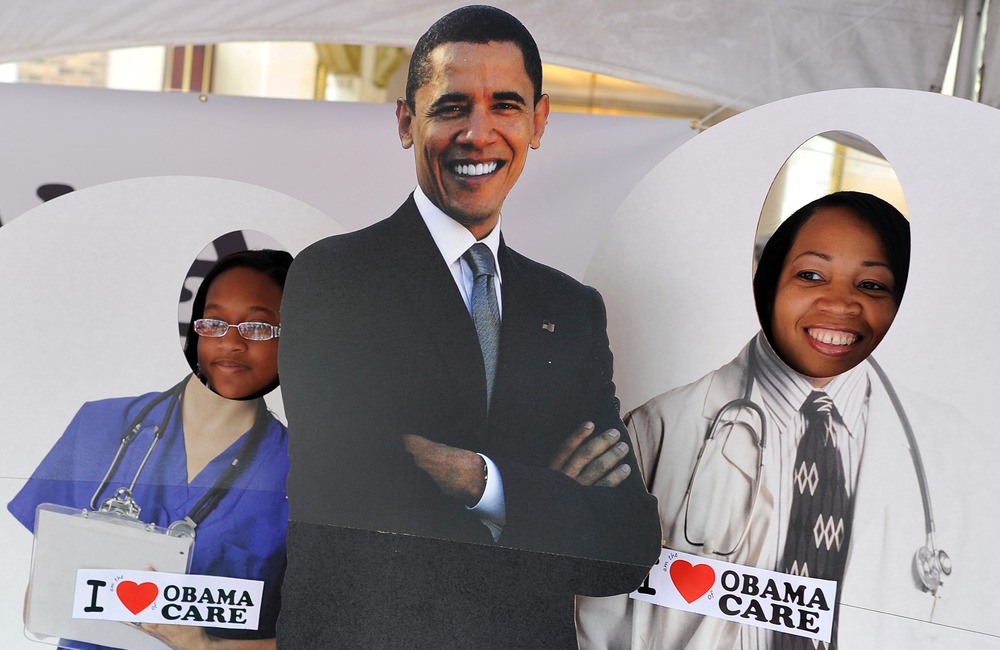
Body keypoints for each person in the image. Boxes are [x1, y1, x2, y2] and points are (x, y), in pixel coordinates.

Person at [276, 5, 661, 648]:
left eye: (505, 105)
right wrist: (551, 498)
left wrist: (480, 481)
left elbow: (624, 546)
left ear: (539, 122)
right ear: (407, 122)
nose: (479, 134)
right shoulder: (335, 278)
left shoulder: (571, 310)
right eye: (452, 107)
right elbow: (355, 501)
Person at [576, 191, 951, 648]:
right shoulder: (660, 427)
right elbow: (595, 613)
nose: (840, 303)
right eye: (811, 275)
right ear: (768, 284)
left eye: (872, 285)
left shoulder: (947, 452)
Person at [8, 249, 293, 650]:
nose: (230, 342)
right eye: (214, 322)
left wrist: (207, 647)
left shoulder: (300, 472)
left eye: (258, 328)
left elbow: (322, 632)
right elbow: (38, 605)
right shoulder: (99, 426)